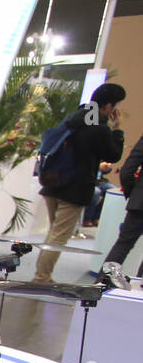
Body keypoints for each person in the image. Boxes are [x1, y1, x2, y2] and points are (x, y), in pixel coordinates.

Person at [34, 82, 126, 283]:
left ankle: (42, 274)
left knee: (53, 233)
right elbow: (113, 154)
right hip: (74, 189)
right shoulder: (98, 128)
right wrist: (117, 129)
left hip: (53, 182)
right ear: (109, 106)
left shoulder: (75, 117)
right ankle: (41, 277)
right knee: (58, 237)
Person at [105, 131, 143, 276]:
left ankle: (102, 285)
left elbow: (127, 170)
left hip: (140, 201)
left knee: (123, 244)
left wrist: (132, 192)